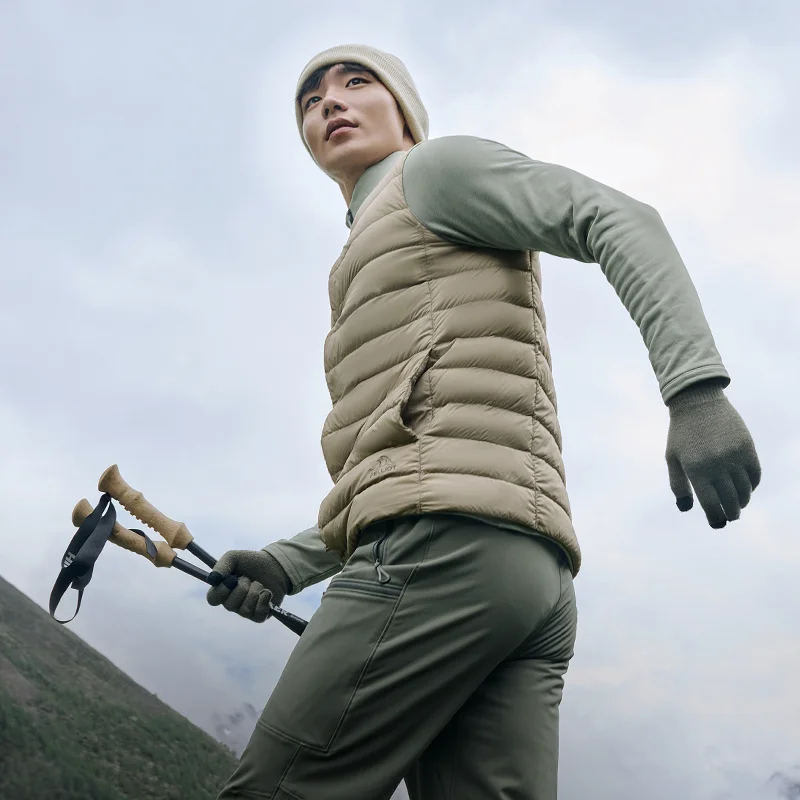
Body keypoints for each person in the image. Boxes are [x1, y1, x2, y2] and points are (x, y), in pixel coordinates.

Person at [207, 44, 762, 800]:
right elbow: (417, 451)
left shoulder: (432, 173)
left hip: (443, 552)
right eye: (310, 100)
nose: (329, 101)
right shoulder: (373, 249)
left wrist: (694, 390)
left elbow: (615, 216)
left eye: (356, 82)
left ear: (405, 111)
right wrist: (289, 563)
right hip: (525, 574)